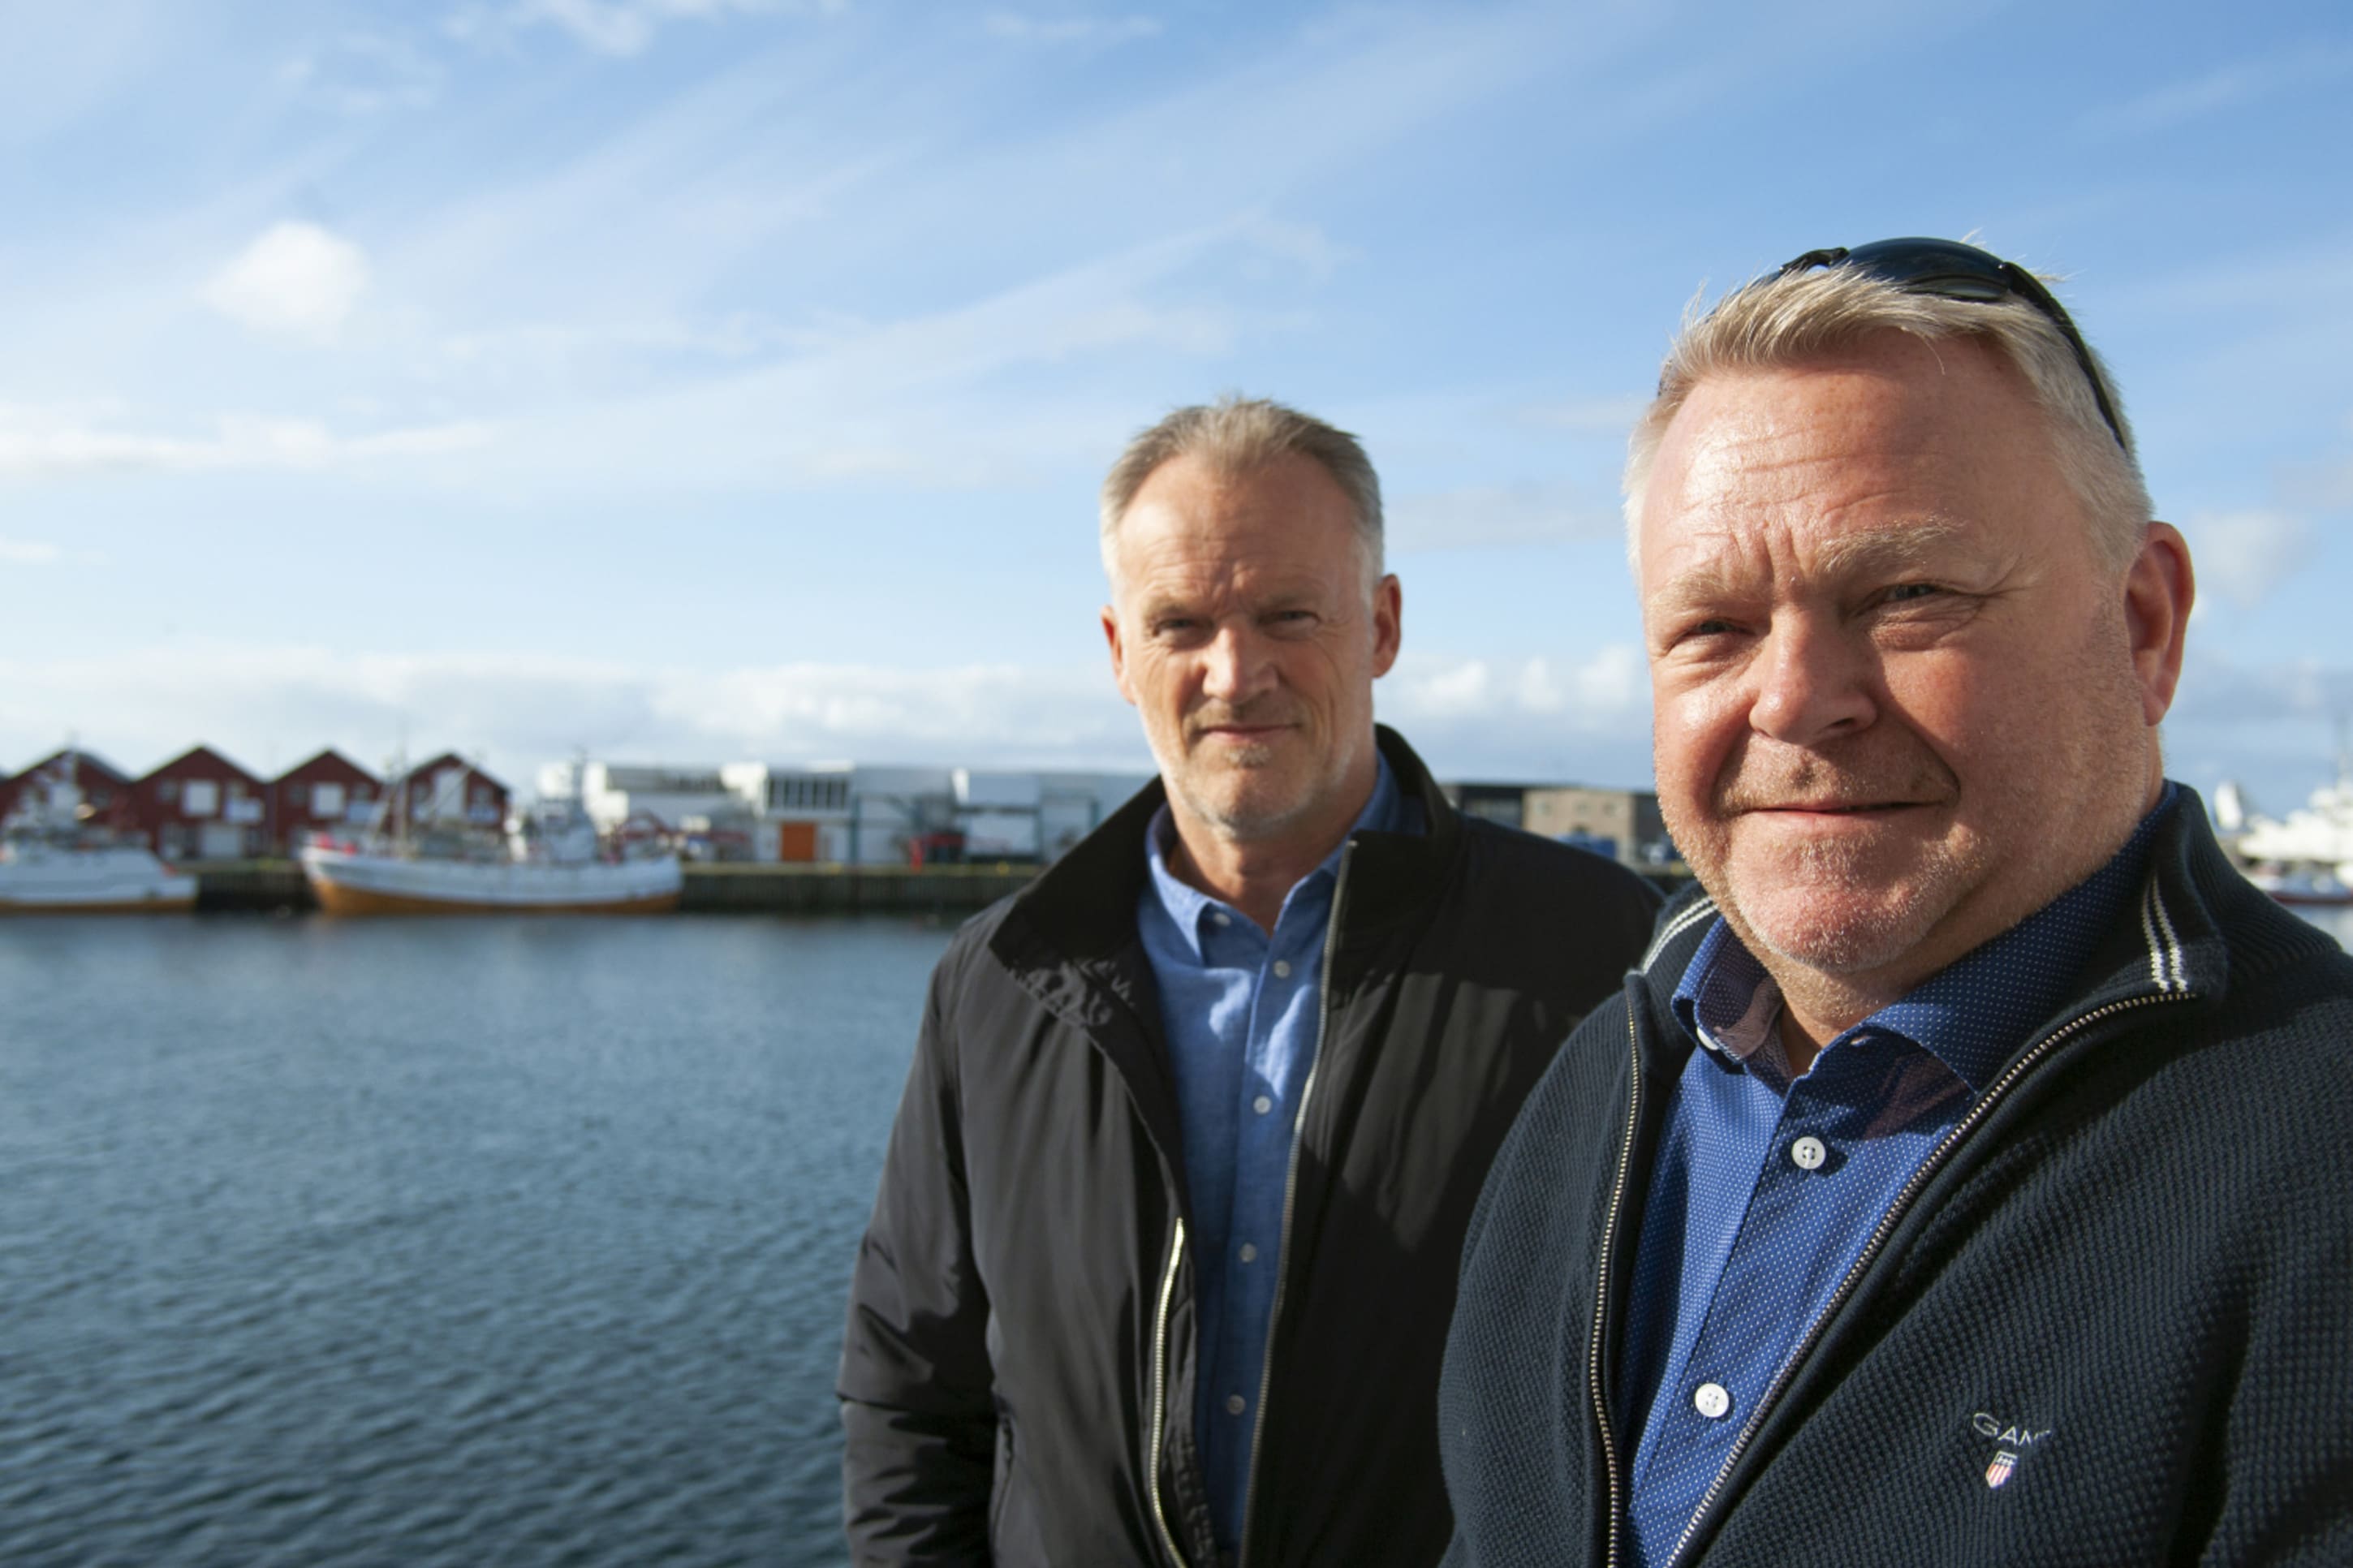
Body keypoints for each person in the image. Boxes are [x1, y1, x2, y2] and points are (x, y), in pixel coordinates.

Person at [1438, 239, 2353, 1566]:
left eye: (1909, 595)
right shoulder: (1614, 1067)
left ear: (2144, 622)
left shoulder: (2317, 1167)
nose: (1794, 700)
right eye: (1713, 627)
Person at [839, 396, 1661, 1566]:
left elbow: (1683, 1381)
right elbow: (913, 1393)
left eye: (1288, 614)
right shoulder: (1002, 981)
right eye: (1180, 624)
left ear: (1382, 626)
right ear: (1120, 654)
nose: (1235, 674)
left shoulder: (1599, 954)